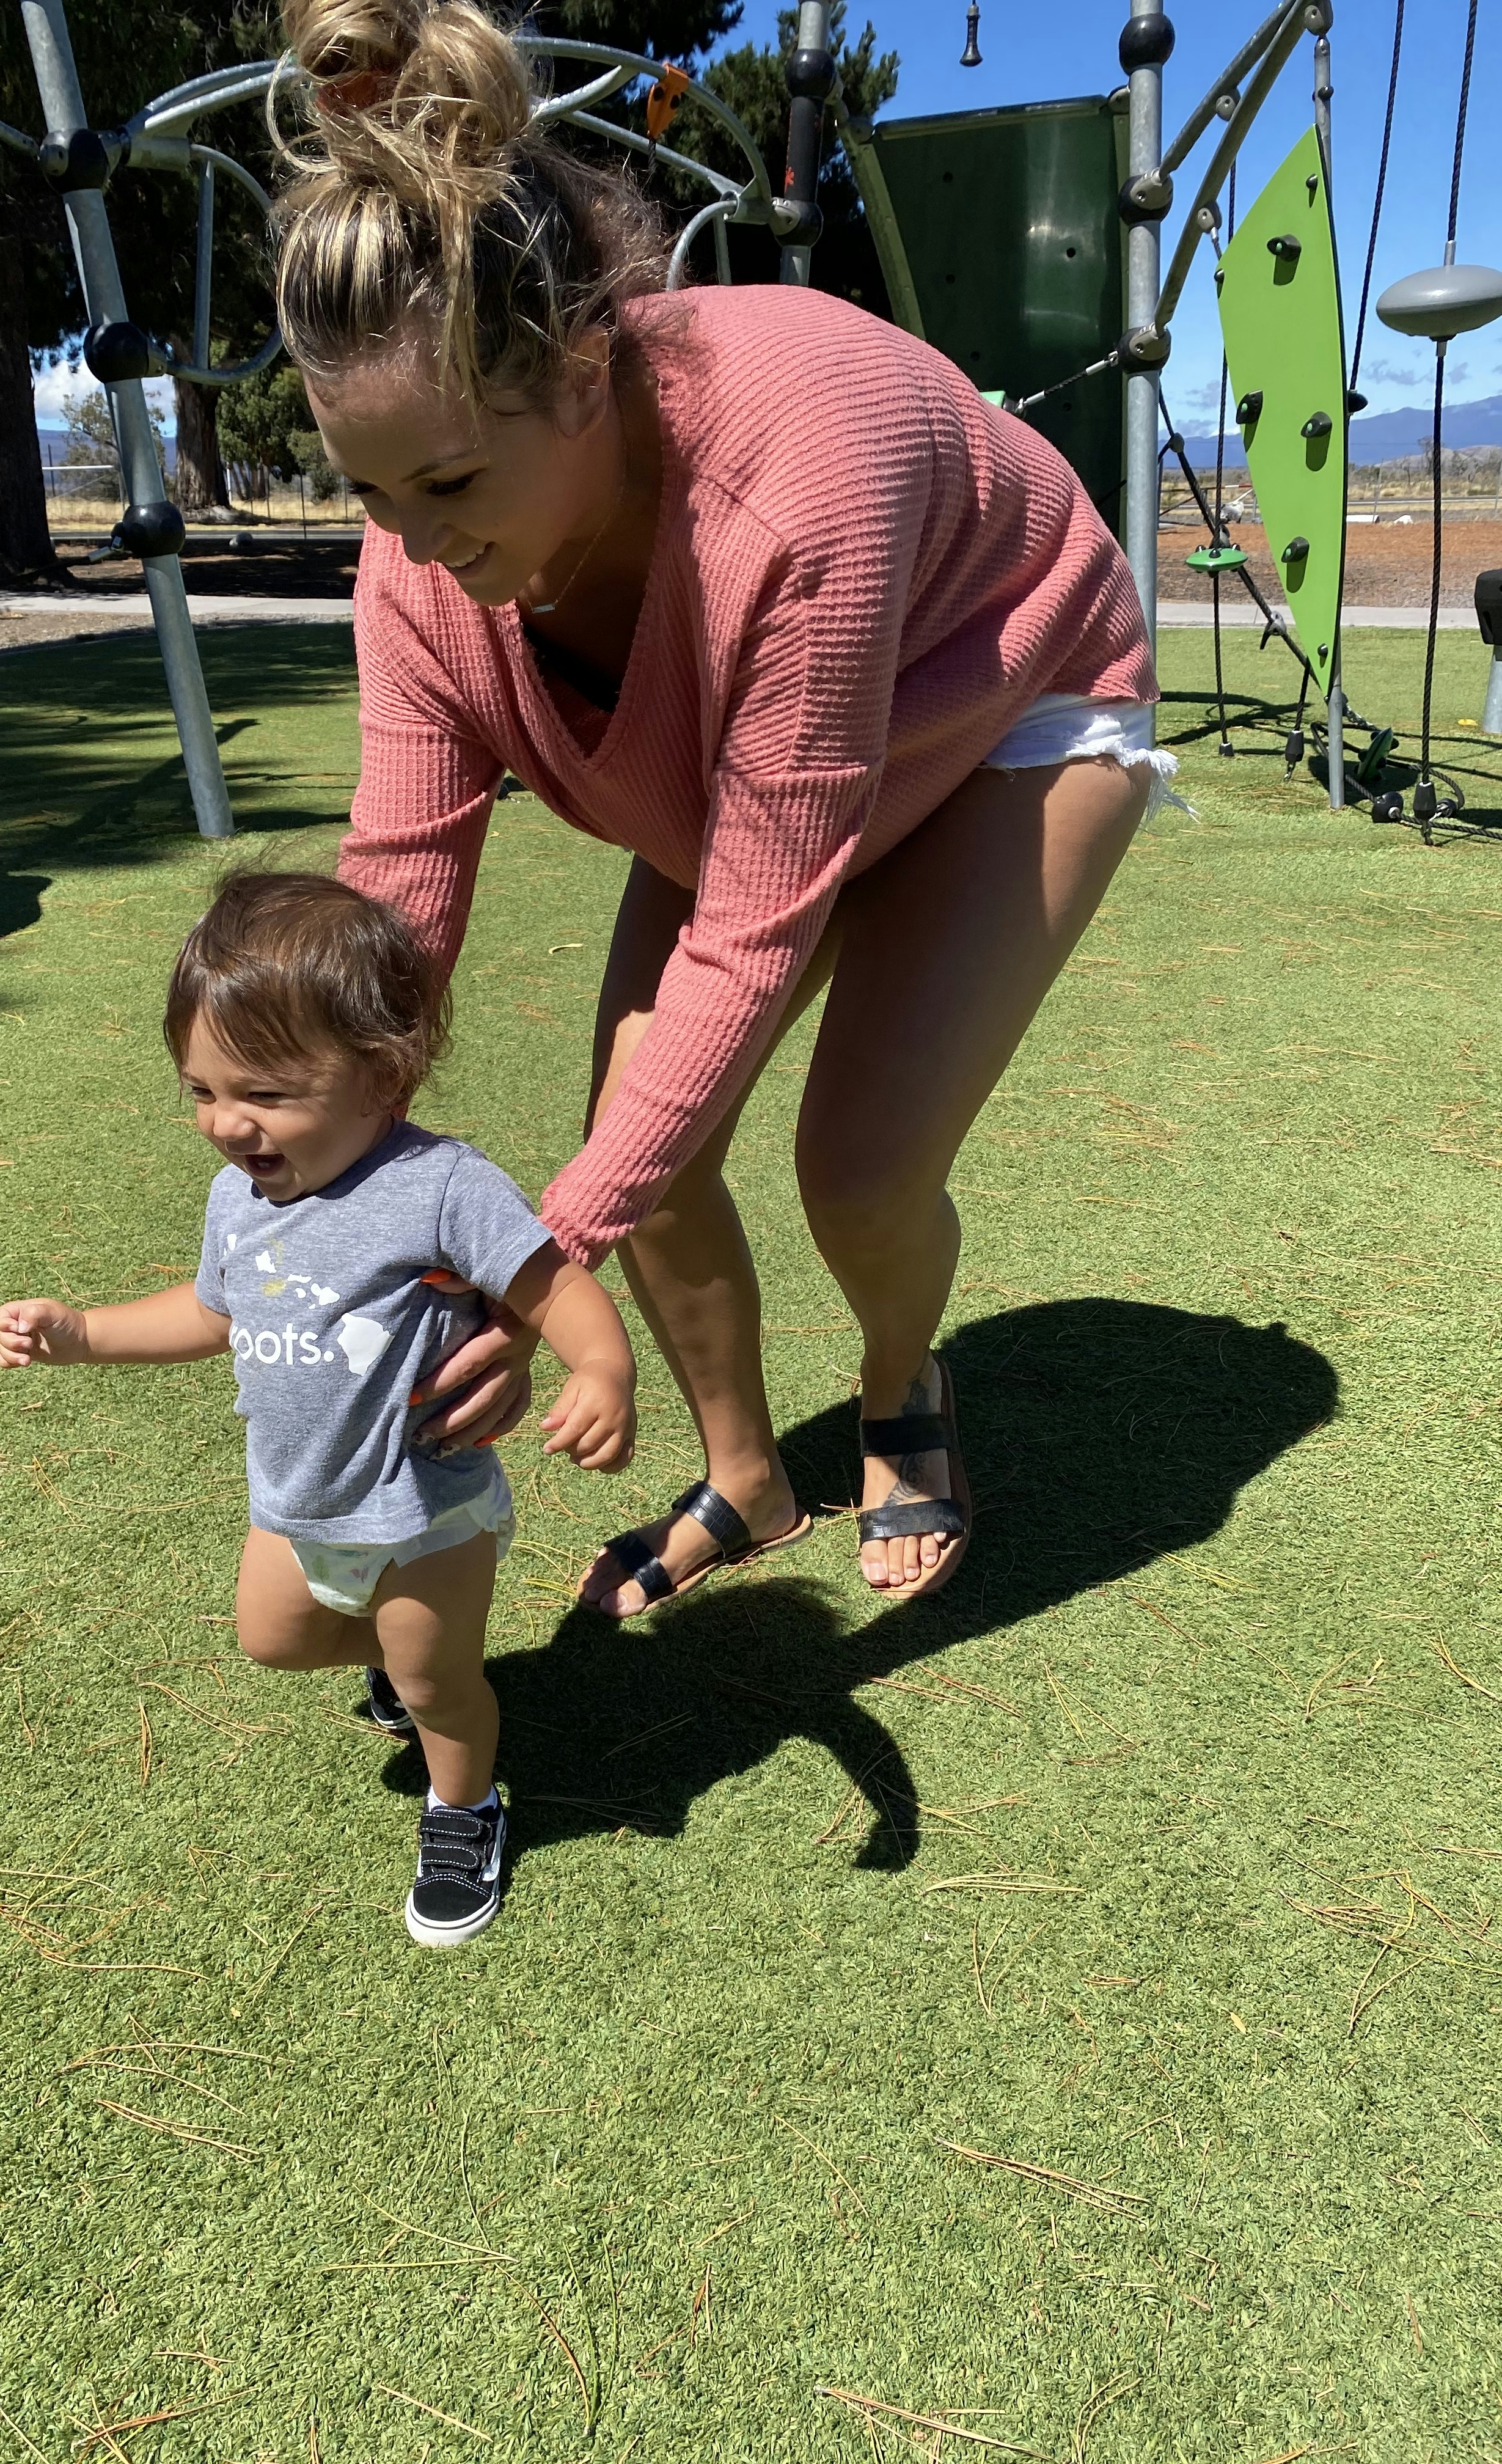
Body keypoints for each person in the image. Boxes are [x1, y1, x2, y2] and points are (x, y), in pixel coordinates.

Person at [272, 0, 1171, 1616]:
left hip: (1005, 701)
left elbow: (754, 934)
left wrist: (535, 1266)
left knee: (863, 1166)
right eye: (370, 492)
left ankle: (904, 1393)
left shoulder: (788, 489)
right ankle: (748, 1480)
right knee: (656, 1143)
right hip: (761, 763)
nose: (411, 544)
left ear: (584, 368)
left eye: (452, 485)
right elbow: (397, 890)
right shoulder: (417, 568)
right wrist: (336, 1173)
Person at [0, 872, 637, 1946]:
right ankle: (402, 1665)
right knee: (274, 1642)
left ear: (384, 1072)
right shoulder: (240, 1193)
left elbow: (554, 1285)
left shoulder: (439, 1185)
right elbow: (212, 1314)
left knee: (438, 1687)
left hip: (424, 1504)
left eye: (264, 1093)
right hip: (294, 1503)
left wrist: (600, 1369)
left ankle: (465, 1804)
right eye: (200, 1090)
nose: (225, 1124)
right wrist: (85, 1334)